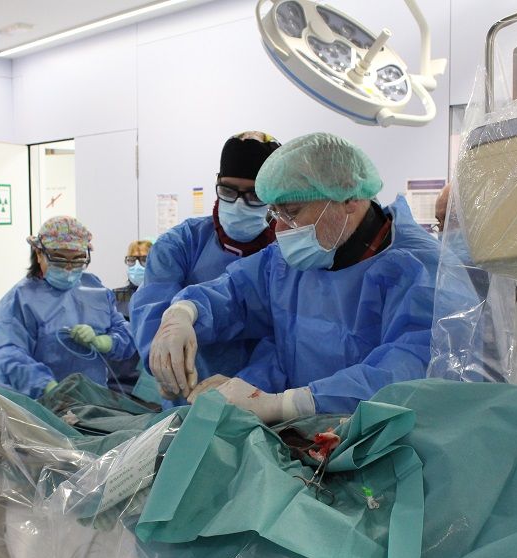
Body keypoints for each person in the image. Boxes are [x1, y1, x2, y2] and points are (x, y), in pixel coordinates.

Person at [148, 132, 450, 423]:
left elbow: (408, 369)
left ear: (349, 198)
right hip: (302, 439)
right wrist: (183, 314)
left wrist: (285, 405)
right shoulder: (292, 260)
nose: (280, 229)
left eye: (291, 211)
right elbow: (235, 292)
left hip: (376, 441)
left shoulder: (420, 270)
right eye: (275, 213)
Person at [130, 131, 282, 396]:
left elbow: (288, 336)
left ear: (275, 197)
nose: (239, 204)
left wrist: (251, 384)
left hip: (265, 396)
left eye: (255, 195)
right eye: (228, 190)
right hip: (188, 392)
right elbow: (152, 311)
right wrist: (166, 365)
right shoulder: (181, 244)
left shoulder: (287, 254)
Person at [0, 216, 135, 398]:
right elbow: (9, 355)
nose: (68, 268)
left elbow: (125, 334)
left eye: (77, 260)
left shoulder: (95, 290)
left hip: (90, 400)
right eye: (59, 260)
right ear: (39, 254)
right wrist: (49, 388)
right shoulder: (20, 299)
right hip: (38, 404)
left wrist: (103, 341)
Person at [113, 240, 152, 320]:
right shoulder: (116, 296)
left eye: (144, 260)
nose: (137, 266)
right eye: (131, 260)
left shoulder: (163, 296)